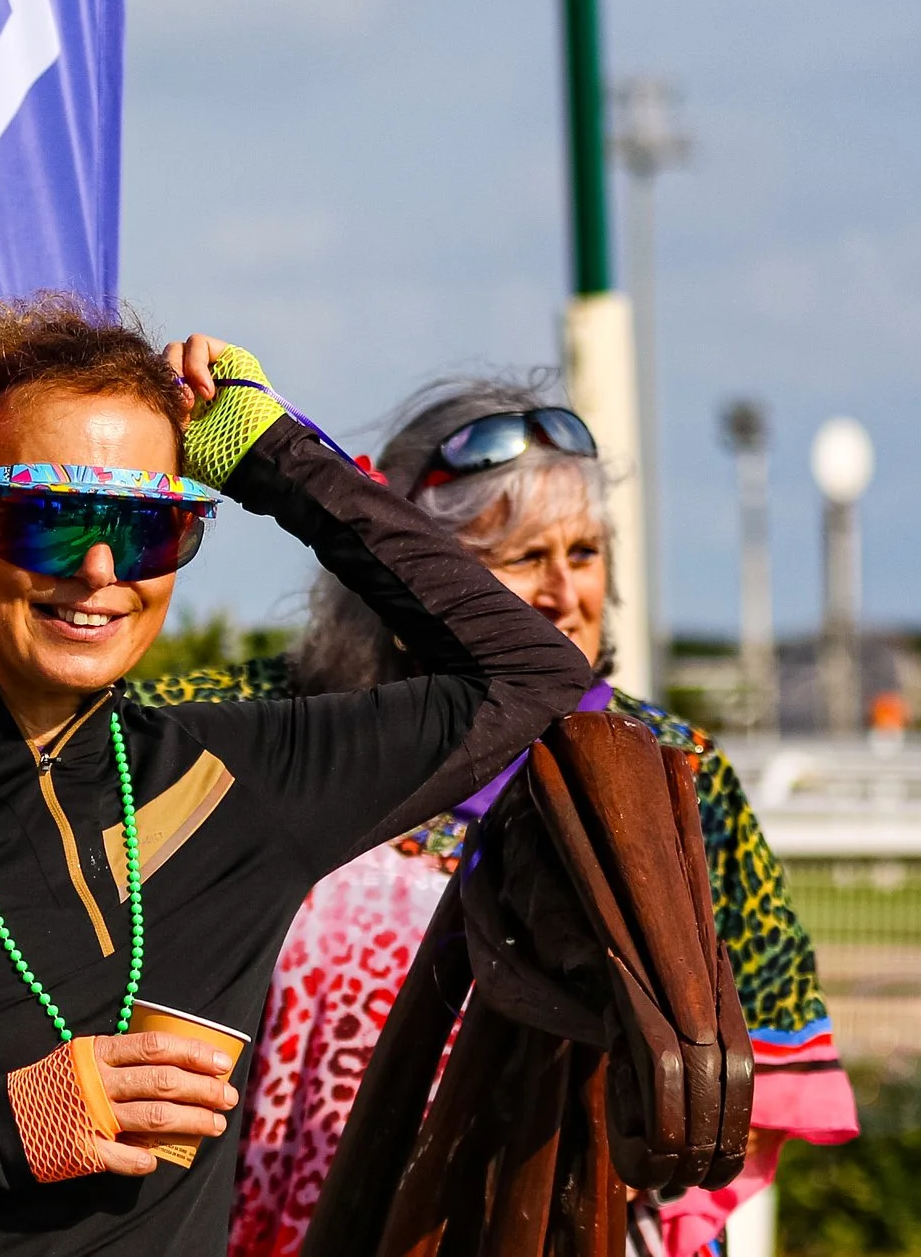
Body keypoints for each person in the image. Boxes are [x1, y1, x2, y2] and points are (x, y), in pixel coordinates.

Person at [0, 299, 596, 1256]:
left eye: (145, 529)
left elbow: (530, 669)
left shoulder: (244, 782)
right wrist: (0, 1130)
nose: (96, 568)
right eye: (50, 520)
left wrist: (271, 454)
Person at [203, 378, 859, 1257]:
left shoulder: (674, 771)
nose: (562, 591)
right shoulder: (277, 724)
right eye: (519, 557)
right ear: (405, 568)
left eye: (584, 553)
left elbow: (752, 1058)